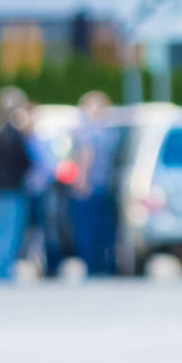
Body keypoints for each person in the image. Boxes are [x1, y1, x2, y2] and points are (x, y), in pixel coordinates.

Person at [0, 88, 40, 283]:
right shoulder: (14, 133)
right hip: (13, 188)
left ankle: (0, 269)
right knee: (10, 231)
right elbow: (26, 161)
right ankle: (4, 271)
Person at [70, 92, 120, 278]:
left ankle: (93, 266)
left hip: (90, 186)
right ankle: (108, 265)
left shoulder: (88, 131)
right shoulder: (110, 131)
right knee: (105, 229)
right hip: (105, 185)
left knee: (87, 229)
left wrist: (81, 183)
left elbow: (86, 156)